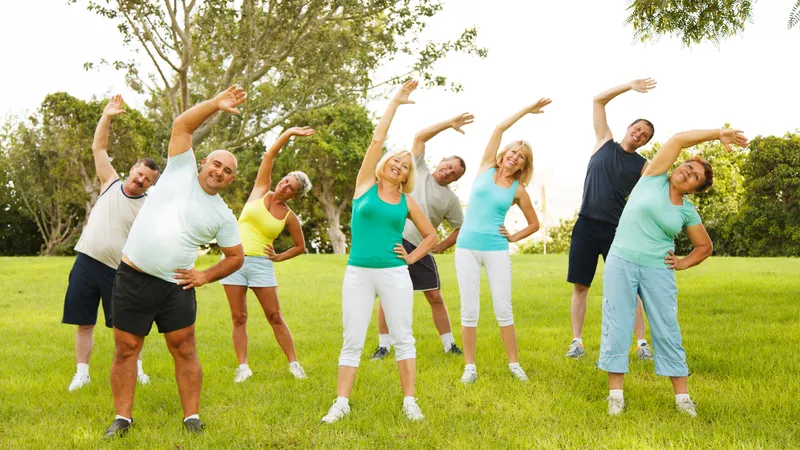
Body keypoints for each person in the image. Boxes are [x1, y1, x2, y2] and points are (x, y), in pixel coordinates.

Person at [104, 86, 247, 438]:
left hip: (176, 287)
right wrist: (215, 105)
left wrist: (204, 276)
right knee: (126, 349)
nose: (219, 171)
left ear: (231, 180)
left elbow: (236, 257)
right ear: (204, 162)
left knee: (184, 348)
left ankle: (191, 418)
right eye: (216, 163)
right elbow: (182, 126)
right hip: (133, 276)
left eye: (227, 170)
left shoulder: (224, 215)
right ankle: (122, 419)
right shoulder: (180, 167)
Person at [598, 128, 748, 417]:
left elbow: (704, 246)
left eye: (695, 177)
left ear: (694, 189)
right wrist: (718, 133)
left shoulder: (687, 211)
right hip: (621, 261)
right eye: (687, 167)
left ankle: (682, 399)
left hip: (658, 269)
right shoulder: (652, 177)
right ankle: (615, 395)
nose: (688, 174)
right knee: (617, 323)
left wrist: (681, 262)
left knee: (667, 328)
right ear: (677, 166)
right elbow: (678, 140)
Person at [320, 80, 437, 424]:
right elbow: (376, 138)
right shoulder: (364, 186)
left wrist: (412, 258)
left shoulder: (407, 201)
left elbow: (430, 236)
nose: (399, 164)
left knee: (403, 336)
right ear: (384, 164)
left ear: (406, 177)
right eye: (395, 160)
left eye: (405, 165)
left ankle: (409, 401)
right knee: (352, 338)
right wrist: (396, 103)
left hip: (394, 273)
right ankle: (341, 403)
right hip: (358, 272)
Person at [62, 95, 160, 392]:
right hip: (86, 263)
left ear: (151, 184)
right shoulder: (109, 183)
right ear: (132, 169)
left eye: (147, 179)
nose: (141, 180)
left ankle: (138, 369)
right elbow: (99, 148)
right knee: (84, 322)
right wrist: (107, 116)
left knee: (127, 327)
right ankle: (82, 373)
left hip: (119, 272)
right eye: (139, 173)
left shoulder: (149, 207)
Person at [566, 78, 658, 360]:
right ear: (629, 128)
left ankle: (642, 345)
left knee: (629, 286)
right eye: (637, 128)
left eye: (645, 135)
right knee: (581, 286)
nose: (639, 134)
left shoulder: (643, 166)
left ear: (645, 142)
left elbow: (661, 181)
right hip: (585, 225)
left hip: (617, 230)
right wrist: (629, 86)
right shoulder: (604, 141)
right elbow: (597, 100)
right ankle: (577, 343)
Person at [456, 98, 547, 384]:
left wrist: (514, 236)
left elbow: (535, 223)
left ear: (523, 164)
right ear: (504, 153)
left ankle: (514, 364)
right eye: (513, 151)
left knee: (502, 307)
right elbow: (498, 127)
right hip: (466, 247)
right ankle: (469, 367)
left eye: (521, 156)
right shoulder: (485, 167)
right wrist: (526, 110)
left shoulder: (518, 190)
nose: (514, 157)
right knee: (469, 307)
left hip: (496, 249)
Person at [370, 112, 472, 360]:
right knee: (387, 293)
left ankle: (449, 345)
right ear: (442, 161)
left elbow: (460, 228)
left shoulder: (450, 200)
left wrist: (442, 246)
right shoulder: (419, 169)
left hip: (421, 247)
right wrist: (448, 123)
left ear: (456, 179)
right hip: (394, 241)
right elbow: (420, 136)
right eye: (448, 166)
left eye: (454, 174)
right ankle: (384, 346)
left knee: (435, 295)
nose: (448, 172)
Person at [221, 126, 315, 383]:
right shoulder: (261, 189)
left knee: (274, 316)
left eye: (290, 188)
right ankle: (243, 367)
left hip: (261, 265)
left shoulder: (289, 216)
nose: (284, 186)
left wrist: (278, 257)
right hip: (233, 262)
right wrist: (290, 133)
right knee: (238, 317)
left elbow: (300, 247)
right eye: (285, 180)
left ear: (295, 195)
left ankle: (294, 364)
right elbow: (270, 155)